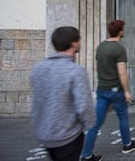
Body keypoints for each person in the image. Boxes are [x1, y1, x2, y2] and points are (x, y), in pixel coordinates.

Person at [30, 26, 95, 161]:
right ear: (74, 43)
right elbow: (84, 106)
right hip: (67, 135)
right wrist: (89, 124)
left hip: (44, 134)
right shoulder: (76, 71)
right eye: (79, 39)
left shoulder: (38, 68)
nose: (80, 42)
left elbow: (37, 100)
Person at [81, 20, 135, 160]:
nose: (123, 31)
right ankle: (127, 144)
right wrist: (126, 91)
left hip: (102, 90)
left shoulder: (100, 47)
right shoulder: (118, 49)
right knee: (122, 116)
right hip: (116, 91)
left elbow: (98, 67)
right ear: (120, 31)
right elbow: (122, 72)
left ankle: (86, 154)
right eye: (123, 29)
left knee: (96, 123)